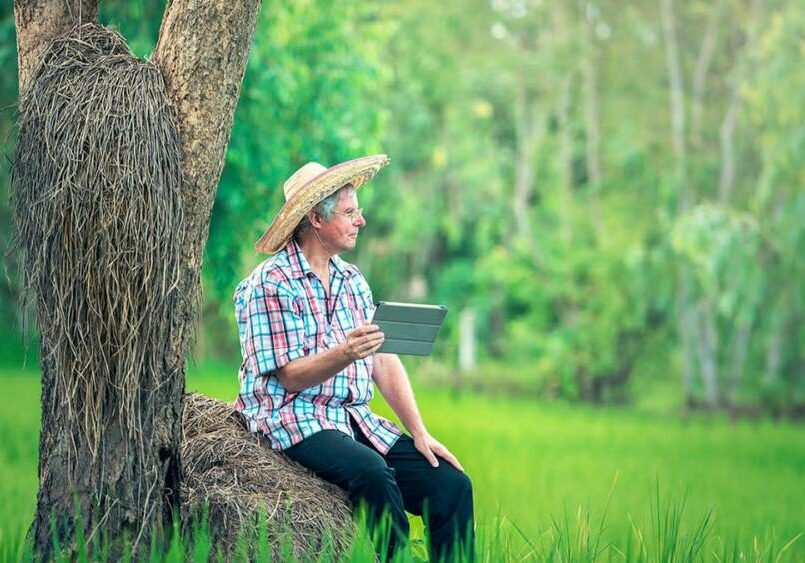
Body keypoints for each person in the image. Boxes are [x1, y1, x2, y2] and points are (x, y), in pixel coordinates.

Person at [234, 155, 474, 561]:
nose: (360, 221)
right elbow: (289, 377)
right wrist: (346, 352)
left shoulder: (352, 281)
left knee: (450, 484)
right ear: (316, 218)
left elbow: (383, 359)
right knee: (372, 474)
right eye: (349, 213)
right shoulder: (269, 284)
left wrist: (419, 432)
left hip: (351, 418)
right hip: (292, 417)